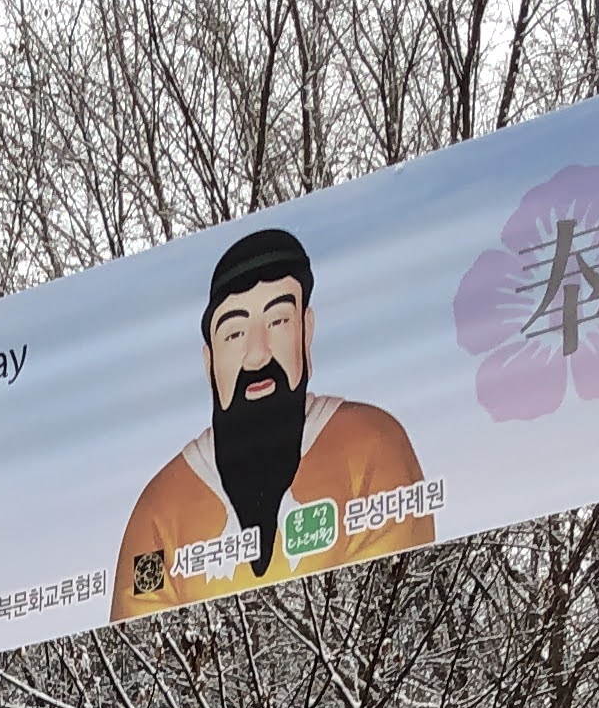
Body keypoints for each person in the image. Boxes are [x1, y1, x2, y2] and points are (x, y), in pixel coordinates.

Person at [112, 227, 434, 619]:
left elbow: (388, 611)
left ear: (307, 332)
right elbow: (143, 634)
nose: (257, 355)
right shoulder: (160, 508)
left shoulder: (370, 445)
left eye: (278, 321)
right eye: (234, 333)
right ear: (209, 362)